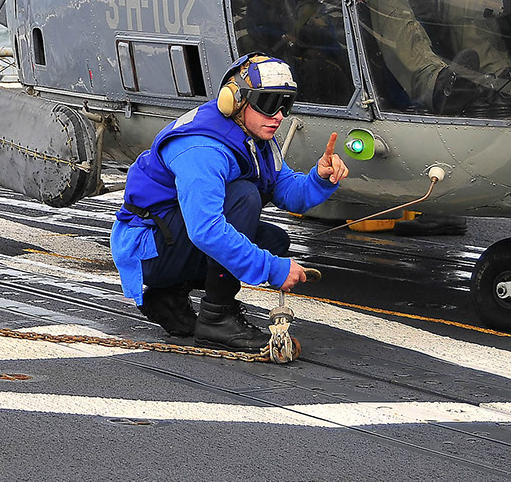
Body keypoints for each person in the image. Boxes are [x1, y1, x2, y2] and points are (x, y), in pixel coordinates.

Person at [111, 54, 349, 353]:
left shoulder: (253, 135)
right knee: (243, 198)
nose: (278, 115)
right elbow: (205, 230)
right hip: (146, 249)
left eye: (284, 104)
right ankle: (217, 318)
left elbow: (287, 190)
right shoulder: (202, 148)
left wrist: (320, 179)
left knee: (272, 239)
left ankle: (169, 296)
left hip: (170, 239)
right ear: (235, 100)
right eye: (267, 102)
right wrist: (273, 270)